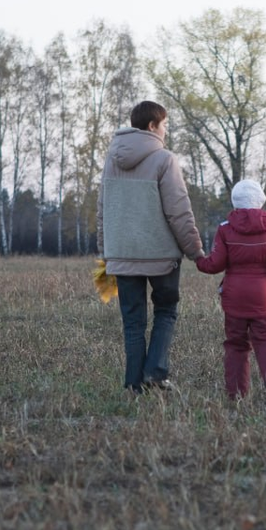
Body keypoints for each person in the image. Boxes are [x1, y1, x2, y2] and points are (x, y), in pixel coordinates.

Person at [98, 100, 204, 393]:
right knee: (165, 311)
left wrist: (106, 251)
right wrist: (195, 250)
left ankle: (133, 384)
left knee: (132, 323)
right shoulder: (164, 159)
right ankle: (155, 374)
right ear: (152, 126)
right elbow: (178, 210)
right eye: (165, 124)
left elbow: (103, 209)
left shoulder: (111, 160)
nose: (166, 130)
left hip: (122, 253)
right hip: (160, 255)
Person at [195, 179, 266, 400]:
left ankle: (236, 393)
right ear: (261, 200)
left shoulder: (225, 229)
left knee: (236, 344)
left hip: (234, 296)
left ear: (235, 202)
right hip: (262, 296)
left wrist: (199, 261)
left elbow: (216, 264)